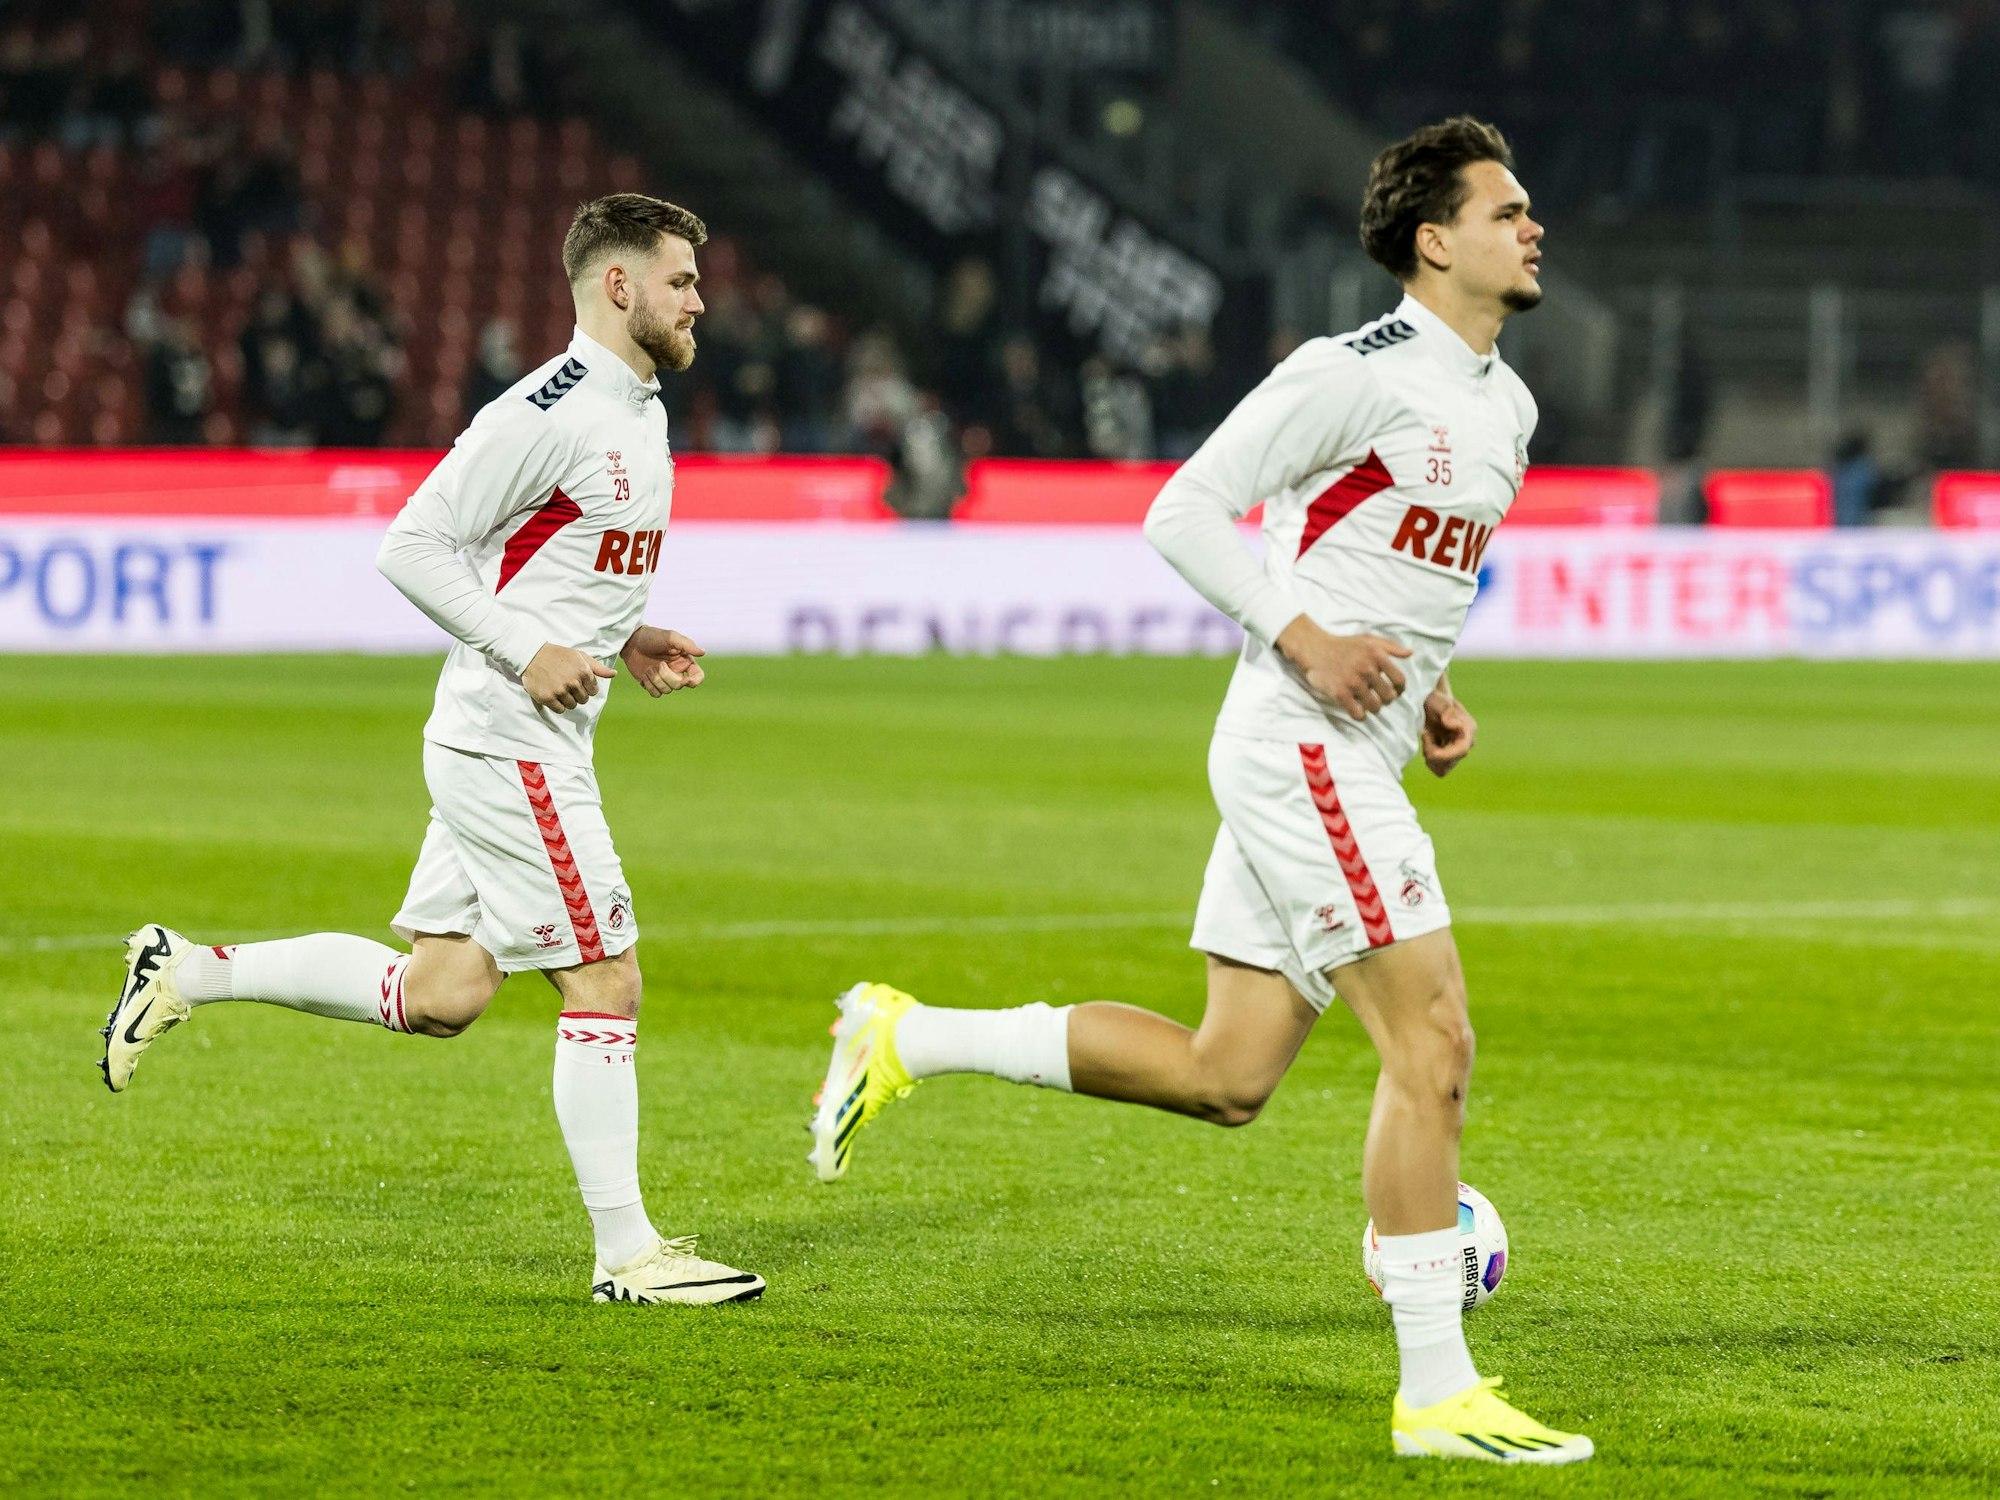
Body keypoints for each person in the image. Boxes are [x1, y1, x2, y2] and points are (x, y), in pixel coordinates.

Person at [808, 118, 1593, 1464]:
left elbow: (1405, 577)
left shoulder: (1505, 407)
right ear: (1434, 240)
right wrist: (1308, 641)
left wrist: (1431, 690)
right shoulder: (1353, 372)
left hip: (1350, 740)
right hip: (1301, 742)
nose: (1534, 229)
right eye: (1507, 209)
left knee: (1225, 1075)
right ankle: (1437, 1393)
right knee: (1435, 1043)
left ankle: (905, 1037)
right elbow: (1183, 507)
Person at [100, 194, 765, 1308]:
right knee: (603, 974)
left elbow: (551, 559)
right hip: (513, 740)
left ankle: (193, 969)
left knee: (446, 989)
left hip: (508, 731)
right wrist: (521, 649)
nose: (700, 299)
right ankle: (628, 1257)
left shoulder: (636, 402)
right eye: (681, 280)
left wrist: (621, 635)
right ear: (617, 286)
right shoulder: (546, 409)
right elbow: (411, 545)